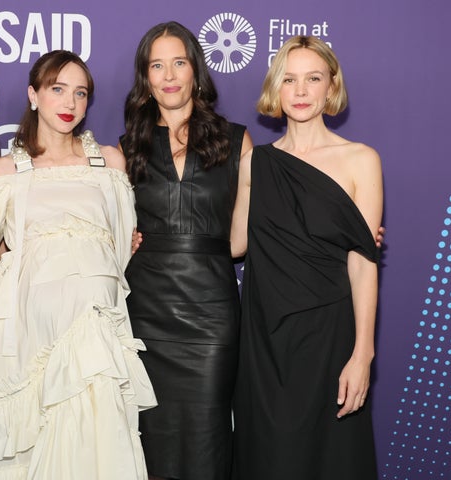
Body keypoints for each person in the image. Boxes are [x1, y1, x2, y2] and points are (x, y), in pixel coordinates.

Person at [0, 50, 156, 480]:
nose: (69, 103)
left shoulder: (107, 162)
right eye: (57, 90)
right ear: (33, 95)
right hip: (32, 333)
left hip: (94, 332)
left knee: (97, 441)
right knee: (30, 441)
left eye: (80, 93)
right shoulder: (6, 170)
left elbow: (120, 247)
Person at [230, 35, 383, 479]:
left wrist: (363, 354)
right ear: (275, 88)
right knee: (267, 459)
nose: (299, 91)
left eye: (312, 78)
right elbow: (233, 244)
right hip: (263, 341)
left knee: (330, 459)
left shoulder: (361, 160)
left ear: (330, 87)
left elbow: (363, 262)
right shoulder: (255, 163)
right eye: (289, 79)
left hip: (329, 337)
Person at [119, 21, 253, 480]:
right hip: (144, 311)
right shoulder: (126, 148)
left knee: (207, 433)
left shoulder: (236, 140)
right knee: (147, 433)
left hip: (210, 313)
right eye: (157, 65)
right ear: (145, 77)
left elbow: (241, 239)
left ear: (196, 71)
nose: (169, 75)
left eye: (179, 63)